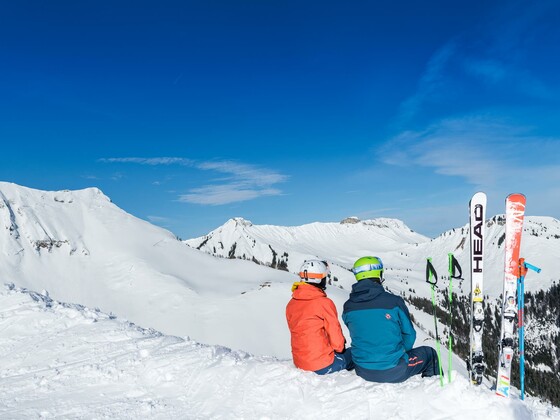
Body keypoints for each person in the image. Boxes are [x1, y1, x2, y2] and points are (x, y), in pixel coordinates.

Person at [342, 256, 439, 383]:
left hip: (362, 370)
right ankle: (435, 389)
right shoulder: (394, 302)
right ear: (378, 273)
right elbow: (409, 334)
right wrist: (400, 352)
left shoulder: (348, 306)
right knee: (430, 354)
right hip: (394, 370)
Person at [286, 259, 353, 374]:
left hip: (300, 363)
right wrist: (340, 349)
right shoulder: (323, 303)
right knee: (357, 353)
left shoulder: (291, 303)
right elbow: (337, 342)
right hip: (322, 365)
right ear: (320, 279)